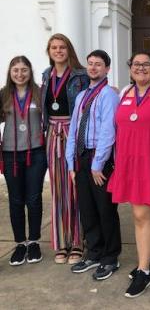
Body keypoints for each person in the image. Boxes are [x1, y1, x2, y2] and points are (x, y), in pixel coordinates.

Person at [108, 51, 150, 298]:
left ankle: (144, 270)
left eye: (146, 64)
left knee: (141, 214)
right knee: (143, 214)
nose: (141, 68)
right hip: (128, 162)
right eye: (136, 64)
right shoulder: (123, 93)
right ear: (130, 69)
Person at [65, 50, 121, 280]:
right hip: (81, 158)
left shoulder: (108, 95)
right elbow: (74, 130)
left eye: (98, 64)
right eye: (90, 64)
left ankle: (110, 257)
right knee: (87, 209)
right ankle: (94, 252)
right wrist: (71, 162)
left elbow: (109, 130)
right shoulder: (81, 96)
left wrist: (98, 164)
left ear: (107, 69)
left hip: (100, 159)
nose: (93, 68)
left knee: (105, 209)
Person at [41, 33, 89, 264]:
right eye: (54, 48)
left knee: (75, 188)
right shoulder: (45, 75)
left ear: (69, 50)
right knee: (58, 190)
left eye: (62, 47)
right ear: (49, 52)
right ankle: (61, 243)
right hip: (52, 133)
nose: (58, 51)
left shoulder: (80, 76)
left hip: (72, 131)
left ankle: (78, 242)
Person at [0, 56, 47, 265]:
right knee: (16, 200)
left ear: (30, 71)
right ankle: (20, 243)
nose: (20, 74)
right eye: (16, 70)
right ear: (10, 72)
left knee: (34, 198)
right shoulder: (3, 95)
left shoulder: (40, 92)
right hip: (10, 154)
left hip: (36, 153)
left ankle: (34, 242)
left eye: (24, 70)